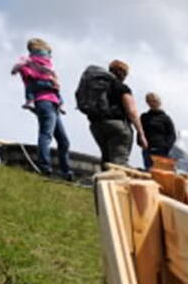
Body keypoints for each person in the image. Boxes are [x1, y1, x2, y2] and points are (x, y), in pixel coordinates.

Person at [11, 38, 72, 179]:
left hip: (53, 103)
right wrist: (50, 81)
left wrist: (53, 81)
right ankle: (45, 167)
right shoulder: (28, 66)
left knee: (63, 141)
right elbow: (30, 78)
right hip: (43, 102)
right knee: (46, 134)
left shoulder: (46, 69)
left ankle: (66, 171)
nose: (46, 58)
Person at [77, 59, 146, 168]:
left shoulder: (99, 85)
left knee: (106, 159)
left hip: (97, 125)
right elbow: (131, 111)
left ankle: (103, 184)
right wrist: (141, 133)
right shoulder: (121, 87)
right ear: (123, 74)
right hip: (117, 126)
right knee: (119, 163)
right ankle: (115, 183)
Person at [139, 92, 177, 169]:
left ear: (159, 102)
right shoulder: (144, 117)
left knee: (160, 172)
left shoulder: (165, 118)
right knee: (148, 170)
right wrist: (140, 142)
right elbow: (140, 131)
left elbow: (172, 135)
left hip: (161, 149)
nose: (152, 103)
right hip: (147, 149)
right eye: (150, 101)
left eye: (154, 101)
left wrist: (166, 147)